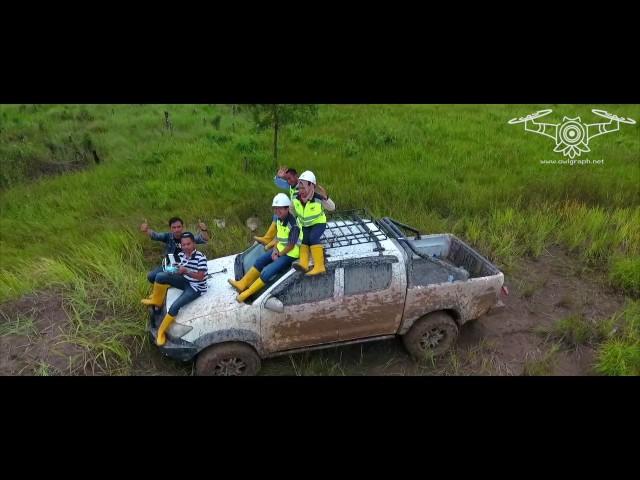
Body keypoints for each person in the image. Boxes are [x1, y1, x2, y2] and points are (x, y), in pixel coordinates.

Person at [230, 193, 302, 303]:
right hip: (280, 249)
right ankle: (242, 284)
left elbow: (291, 245)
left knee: (267, 272)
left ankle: (247, 293)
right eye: (275, 209)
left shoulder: (293, 225)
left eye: (280, 209)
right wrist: (275, 249)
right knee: (260, 261)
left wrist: (279, 254)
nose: (277, 212)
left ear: (287, 208)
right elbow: (279, 237)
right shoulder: (279, 219)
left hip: (290, 253)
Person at [141, 232, 209, 346]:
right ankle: (156, 300)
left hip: (196, 287)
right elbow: (180, 271)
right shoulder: (182, 255)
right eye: (184, 245)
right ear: (181, 245)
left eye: (188, 244)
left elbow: (201, 277)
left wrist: (185, 270)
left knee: (175, 306)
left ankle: (161, 332)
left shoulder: (201, 258)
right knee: (160, 276)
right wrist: (173, 269)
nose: (186, 247)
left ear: (194, 244)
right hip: (186, 281)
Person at [140, 216, 209, 284]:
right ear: (170, 228)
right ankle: (167, 283)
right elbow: (156, 235)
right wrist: (146, 230)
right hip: (170, 264)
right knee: (151, 276)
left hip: (184, 265)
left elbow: (204, 239)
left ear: (182, 227)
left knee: (161, 276)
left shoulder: (187, 237)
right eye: (174, 227)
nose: (177, 230)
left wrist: (204, 230)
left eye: (179, 227)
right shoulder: (168, 236)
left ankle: (173, 282)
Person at [291, 170, 335, 276]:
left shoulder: (318, 198)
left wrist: (326, 198)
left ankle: (320, 266)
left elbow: (332, 208)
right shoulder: (296, 199)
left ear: (311, 186)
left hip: (318, 223)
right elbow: (291, 211)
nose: (301, 191)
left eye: (304, 188)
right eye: (300, 188)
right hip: (305, 225)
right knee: (304, 240)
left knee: (313, 238)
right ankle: (304, 264)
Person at [254, 166, 299, 248]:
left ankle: (275, 241)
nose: (289, 181)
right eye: (287, 179)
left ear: (296, 175)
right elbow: (279, 183)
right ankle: (268, 238)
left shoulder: (303, 186)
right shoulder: (291, 185)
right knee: (278, 215)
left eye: (290, 178)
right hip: (294, 211)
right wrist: (278, 177)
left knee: (283, 220)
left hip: (300, 214)